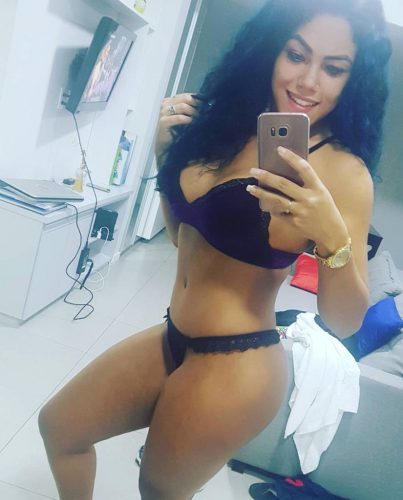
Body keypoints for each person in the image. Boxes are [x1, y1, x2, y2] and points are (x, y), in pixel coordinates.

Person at [38, 0, 391, 498]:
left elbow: (347, 321)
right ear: (271, 49)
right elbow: (182, 236)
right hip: (173, 334)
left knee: (157, 489)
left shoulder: (342, 171)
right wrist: (165, 154)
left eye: (334, 68)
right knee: (61, 428)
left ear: (354, 79)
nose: (309, 81)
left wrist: (332, 239)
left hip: (238, 363)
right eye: (296, 55)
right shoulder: (225, 124)